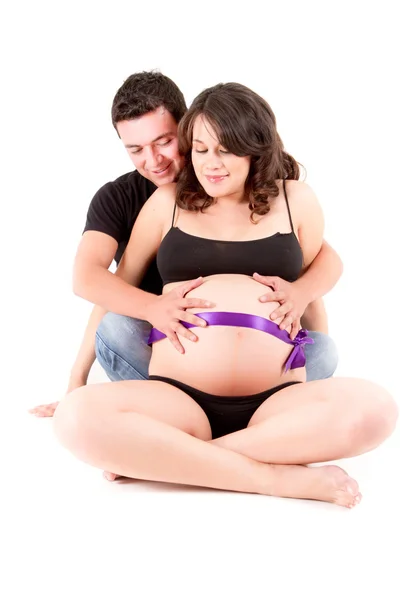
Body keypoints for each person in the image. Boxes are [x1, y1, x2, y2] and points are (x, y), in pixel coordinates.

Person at [53, 82, 398, 507]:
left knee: (378, 409)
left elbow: (318, 272)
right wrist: (76, 379)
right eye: (201, 150)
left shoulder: (296, 199)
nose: (211, 164)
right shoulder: (163, 201)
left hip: (277, 396)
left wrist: (308, 320)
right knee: (75, 418)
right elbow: (108, 285)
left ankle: (170, 458)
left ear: (253, 147)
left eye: (225, 149)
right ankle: (276, 478)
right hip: (177, 395)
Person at [31, 71, 340, 419]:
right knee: (115, 326)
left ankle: (180, 440)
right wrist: (76, 383)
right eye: (135, 149)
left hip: (268, 375)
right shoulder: (145, 200)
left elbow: (319, 264)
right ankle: (212, 432)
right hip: (173, 367)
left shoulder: (286, 198)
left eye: (163, 142)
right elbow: (98, 283)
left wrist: (301, 304)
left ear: (184, 129)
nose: (153, 160)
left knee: (324, 351)